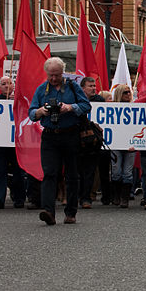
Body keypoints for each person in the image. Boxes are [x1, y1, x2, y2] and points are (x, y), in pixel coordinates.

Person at [28, 57, 91, 225]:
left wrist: (70, 107)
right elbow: (31, 113)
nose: (54, 78)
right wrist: (41, 111)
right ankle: (48, 211)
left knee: (71, 175)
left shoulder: (73, 86)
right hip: (49, 135)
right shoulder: (42, 89)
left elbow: (86, 105)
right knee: (49, 173)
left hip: (70, 135)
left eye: (57, 75)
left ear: (62, 72)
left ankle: (71, 212)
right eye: (51, 75)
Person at [0, 76, 26, 209]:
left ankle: (19, 198)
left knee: (18, 172)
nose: (7, 86)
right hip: (0, 143)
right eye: (3, 84)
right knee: (0, 171)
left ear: (13, 85)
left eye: (9, 83)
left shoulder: (19, 101)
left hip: (16, 143)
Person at [77, 76, 107, 209]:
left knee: (90, 171)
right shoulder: (75, 100)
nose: (94, 88)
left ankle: (86, 198)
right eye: (90, 86)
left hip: (93, 143)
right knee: (77, 171)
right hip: (77, 142)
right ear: (82, 88)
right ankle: (76, 196)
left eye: (94, 86)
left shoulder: (100, 101)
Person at [110, 84, 137, 208]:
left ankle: (124, 198)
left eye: (129, 92)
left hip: (130, 145)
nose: (128, 95)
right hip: (116, 144)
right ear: (119, 94)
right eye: (125, 92)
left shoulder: (135, 108)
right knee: (116, 171)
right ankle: (116, 195)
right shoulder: (111, 108)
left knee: (127, 172)